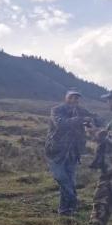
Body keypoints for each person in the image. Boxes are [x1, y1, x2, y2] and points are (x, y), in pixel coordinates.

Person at [44, 88, 102, 216]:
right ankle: (73, 200)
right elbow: (61, 124)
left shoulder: (81, 110)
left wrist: (92, 120)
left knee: (70, 179)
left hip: (73, 153)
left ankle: (65, 210)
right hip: (56, 152)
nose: (74, 100)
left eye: (76, 98)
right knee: (62, 178)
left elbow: (97, 119)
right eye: (71, 97)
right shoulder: (56, 110)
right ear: (66, 98)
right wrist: (81, 119)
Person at [85, 90, 112, 225]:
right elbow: (105, 141)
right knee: (100, 205)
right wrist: (94, 133)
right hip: (107, 172)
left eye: (110, 99)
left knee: (101, 205)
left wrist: (100, 134)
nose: (108, 103)